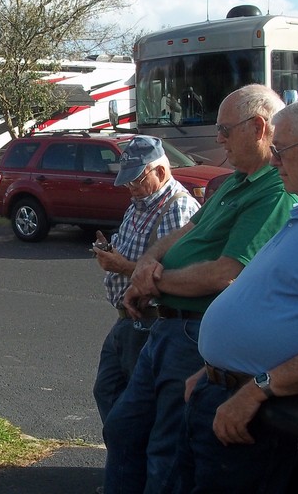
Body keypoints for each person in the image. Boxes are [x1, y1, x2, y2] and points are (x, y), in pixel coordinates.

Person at [102, 84, 298, 494]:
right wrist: (147, 265)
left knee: (167, 449)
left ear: (259, 127)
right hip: (174, 333)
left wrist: (150, 278)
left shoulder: (275, 192)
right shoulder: (233, 183)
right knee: (125, 427)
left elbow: (226, 273)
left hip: (189, 330)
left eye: (225, 130)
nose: (219, 139)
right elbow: (183, 233)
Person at [169, 98, 298, 492]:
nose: (275, 161)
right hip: (221, 391)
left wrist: (258, 389)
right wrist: (214, 369)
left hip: (258, 416)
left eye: (282, 152)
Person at [92, 136, 200, 423]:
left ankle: (130, 461)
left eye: (136, 181)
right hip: (125, 318)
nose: (131, 189)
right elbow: (133, 251)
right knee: (107, 390)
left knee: (138, 408)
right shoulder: (138, 205)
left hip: (150, 320)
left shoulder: (177, 208)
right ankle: (122, 457)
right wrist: (110, 253)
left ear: (160, 172)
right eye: (127, 181)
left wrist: (121, 265)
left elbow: (168, 274)